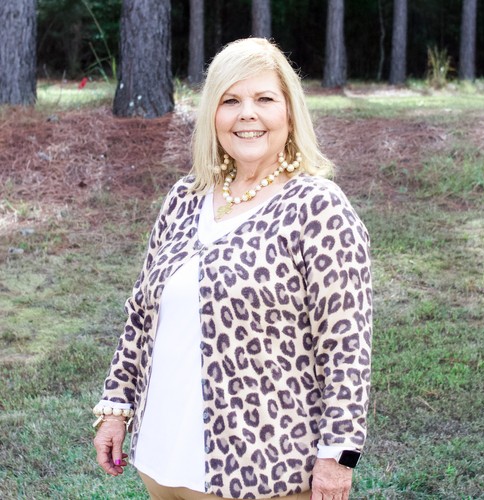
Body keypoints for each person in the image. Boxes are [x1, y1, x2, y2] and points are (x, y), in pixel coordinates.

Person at [93, 37, 372, 500]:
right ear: (213, 115)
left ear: (289, 112)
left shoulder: (318, 207)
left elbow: (346, 347)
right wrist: (115, 406)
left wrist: (339, 456)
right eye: (230, 101)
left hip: (263, 470)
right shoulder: (185, 197)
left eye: (264, 99)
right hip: (162, 460)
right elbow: (141, 314)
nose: (247, 114)